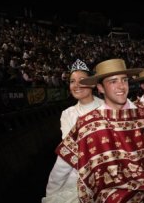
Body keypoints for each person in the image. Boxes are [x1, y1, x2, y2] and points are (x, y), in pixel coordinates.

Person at [56, 59, 144, 203]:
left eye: (124, 80)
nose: (121, 86)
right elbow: (62, 166)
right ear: (100, 88)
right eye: (113, 81)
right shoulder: (86, 125)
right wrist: (52, 194)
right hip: (111, 196)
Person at [43, 59, 103, 203]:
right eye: (72, 81)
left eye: (82, 80)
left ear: (93, 83)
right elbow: (71, 150)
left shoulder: (106, 107)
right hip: (77, 173)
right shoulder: (67, 114)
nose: (76, 85)